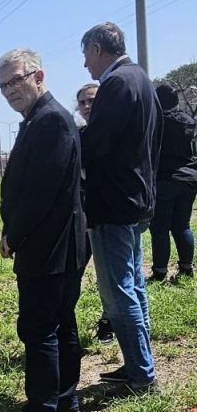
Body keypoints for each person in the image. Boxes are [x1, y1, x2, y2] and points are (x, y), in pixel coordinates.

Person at [0, 49, 87, 412]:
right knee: (60, 323)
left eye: (16, 80)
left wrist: (12, 235)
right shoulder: (39, 118)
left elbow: (40, 193)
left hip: (50, 247)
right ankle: (64, 400)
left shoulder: (50, 120)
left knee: (39, 330)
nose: (10, 90)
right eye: (3, 85)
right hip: (57, 245)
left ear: (38, 75)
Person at [80, 21, 162, 392]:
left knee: (118, 291)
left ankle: (141, 376)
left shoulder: (115, 83)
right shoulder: (141, 78)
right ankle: (140, 365)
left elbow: (97, 143)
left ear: (97, 48)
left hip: (113, 202)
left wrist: (68, 142)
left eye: (86, 54)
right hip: (136, 198)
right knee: (134, 284)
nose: (85, 64)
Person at [77, 83, 115, 345]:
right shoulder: (78, 134)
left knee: (110, 274)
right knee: (78, 269)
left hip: (110, 214)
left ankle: (109, 320)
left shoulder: (113, 132)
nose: (87, 106)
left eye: (92, 100)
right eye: (82, 102)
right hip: (83, 214)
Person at [149, 83, 197, 282]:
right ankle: (187, 267)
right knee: (182, 225)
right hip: (189, 179)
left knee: (160, 228)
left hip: (165, 180)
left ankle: (160, 271)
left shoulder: (156, 122)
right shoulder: (188, 121)